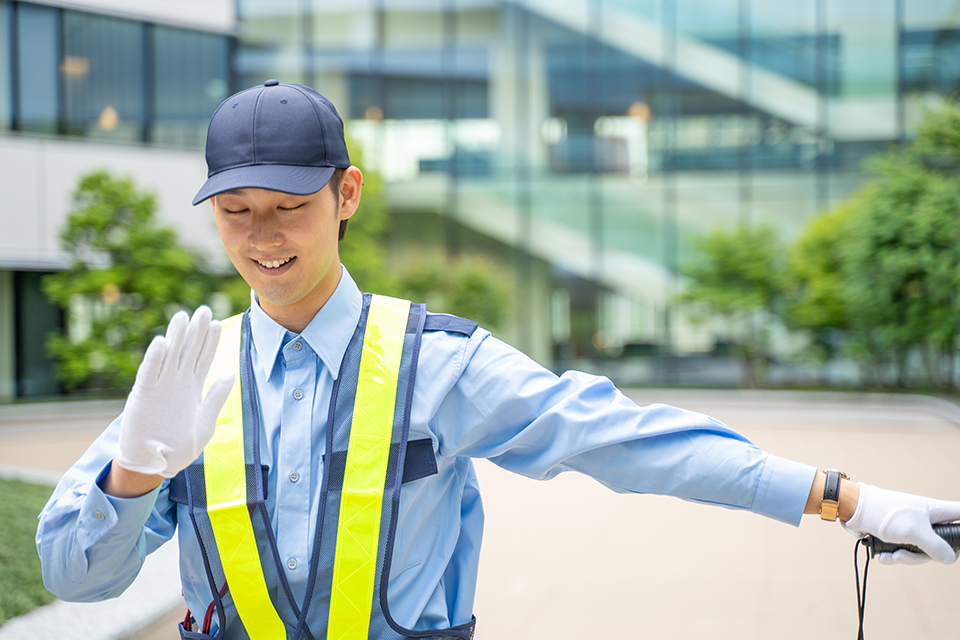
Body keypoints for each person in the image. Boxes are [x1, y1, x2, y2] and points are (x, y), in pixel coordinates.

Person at [37, 81, 960, 640]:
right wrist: (132, 473)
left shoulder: (435, 364)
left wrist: (845, 497)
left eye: (291, 207)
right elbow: (76, 580)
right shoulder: (184, 381)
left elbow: (622, 439)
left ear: (347, 192)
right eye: (237, 212)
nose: (264, 237)